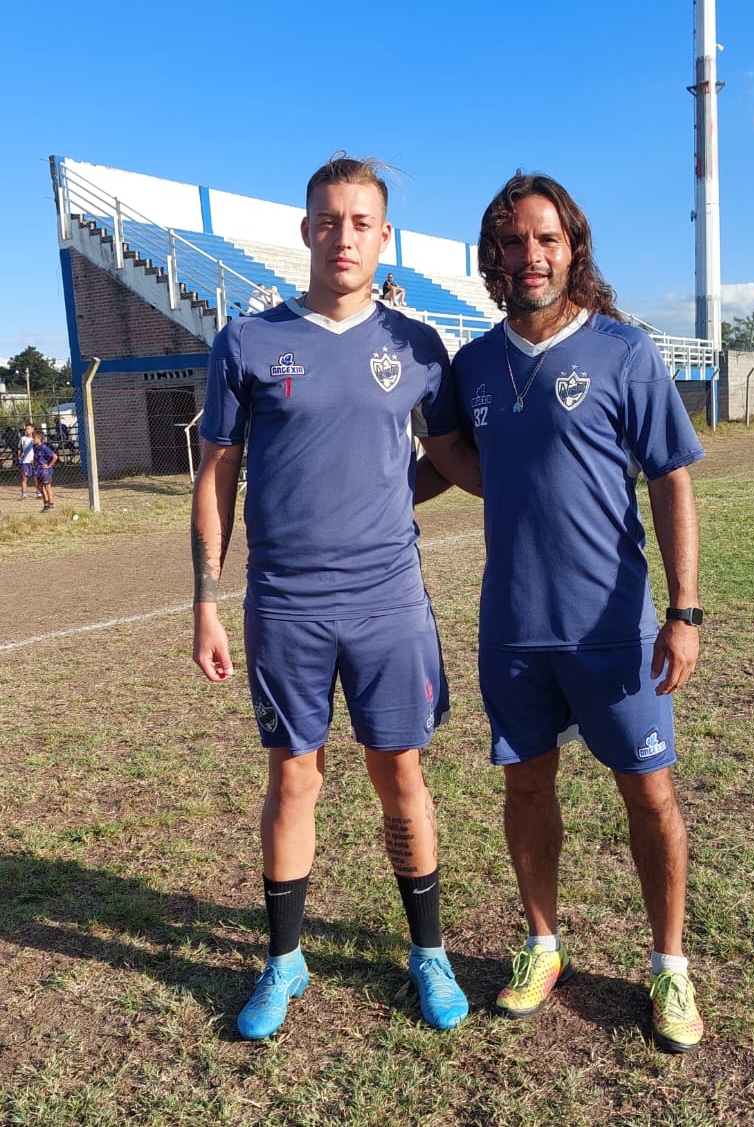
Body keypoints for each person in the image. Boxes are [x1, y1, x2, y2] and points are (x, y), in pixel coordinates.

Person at [192, 154, 481, 1041]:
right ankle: (284, 962)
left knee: (400, 776)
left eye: (361, 222)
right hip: (284, 603)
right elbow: (216, 476)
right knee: (293, 776)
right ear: (306, 226)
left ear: (382, 235)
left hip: (389, 599)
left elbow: (448, 459)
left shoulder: (417, 345)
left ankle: (426, 953)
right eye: (329, 218)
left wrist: (543, 486)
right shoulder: (245, 342)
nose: (344, 235)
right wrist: (204, 597)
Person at [447, 173, 706, 1053]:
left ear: (572, 248)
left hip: (615, 629)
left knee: (650, 793)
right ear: (494, 256)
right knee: (525, 786)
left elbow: (670, 476)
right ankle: (541, 944)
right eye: (514, 243)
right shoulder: (474, 363)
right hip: (514, 627)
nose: (530, 256)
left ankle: (669, 965)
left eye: (546, 240)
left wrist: (685, 610)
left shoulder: (624, 352)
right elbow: (446, 450)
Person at [32, 429, 58, 512]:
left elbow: (55, 456)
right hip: (38, 470)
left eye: (34, 438)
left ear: (39, 438)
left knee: (47, 487)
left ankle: (51, 505)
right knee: (39, 486)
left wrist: (49, 465)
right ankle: (46, 504)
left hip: (45, 471)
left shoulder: (44, 447)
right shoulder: (35, 447)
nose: (33, 439)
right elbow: (36, 457)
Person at [16, 423, 36, 500]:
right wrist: (19, 456)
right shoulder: (23, 438)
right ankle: (24, 494)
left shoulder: (35, 439)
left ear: (32, 430)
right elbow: (19, 448)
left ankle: (39, 492)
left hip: (33, 461)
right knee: (24, 478)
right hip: (25, 462)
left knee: (36, 477)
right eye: (26, 429)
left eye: (28, 429)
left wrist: (35, 458)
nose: (27, 430)